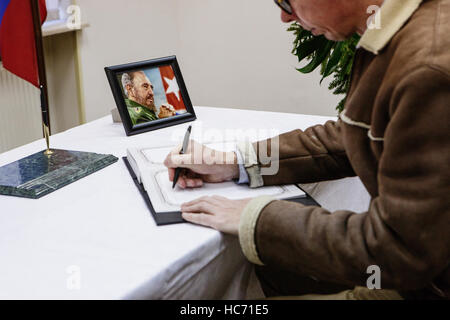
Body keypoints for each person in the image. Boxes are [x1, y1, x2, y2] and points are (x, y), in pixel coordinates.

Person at [164, 0, 449, 300]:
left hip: (422, 288)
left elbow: (400, 250)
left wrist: (258, 218)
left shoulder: (428, 67)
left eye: (287, 1)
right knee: (266, 272)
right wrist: (236, 163)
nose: (286, 17)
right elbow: (350, 136)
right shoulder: (405, 32)